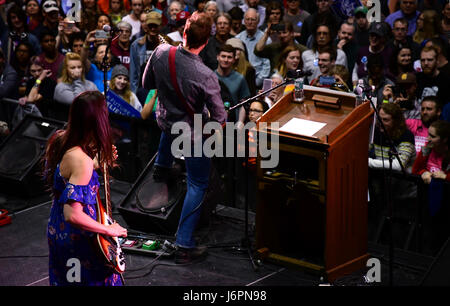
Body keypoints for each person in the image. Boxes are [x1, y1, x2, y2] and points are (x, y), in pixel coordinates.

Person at [142, 11, 227, 264]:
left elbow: (147, 84)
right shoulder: (206, 75)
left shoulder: (160, 52)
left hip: (165, 119)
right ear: (206, 42)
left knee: (171, 127)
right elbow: (220, 117)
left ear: (185, 32)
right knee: (198, 184)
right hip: (189, 133)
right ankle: (185, 242)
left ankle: (161, 165)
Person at [43, 90, 127, 286]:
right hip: (79, 239)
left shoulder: (62, 140)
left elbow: (72, 174)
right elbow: (73, 214)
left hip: (59, 232)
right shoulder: (81, 160)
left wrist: (98, 162)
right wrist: (108, 229)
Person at [235, 8, 271, 88]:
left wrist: (255, 83)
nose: (250, 22)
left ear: (258, 21)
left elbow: (266, 66)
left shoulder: (265, 40)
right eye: (247, 19)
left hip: (258, 83)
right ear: (244, 21)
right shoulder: (238, 39)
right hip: (241, 81)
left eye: (253, 20)